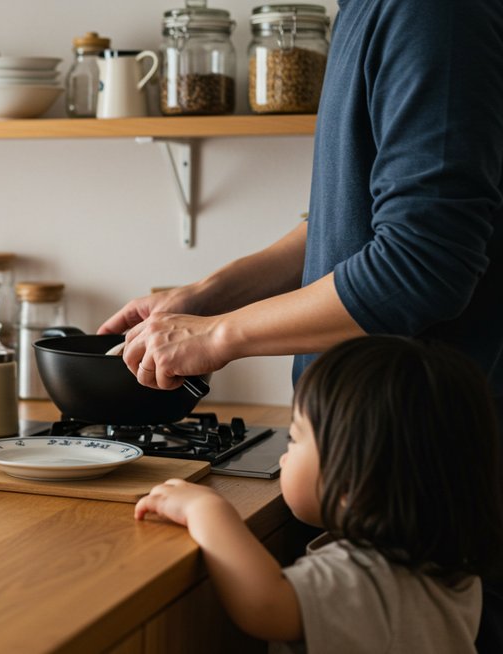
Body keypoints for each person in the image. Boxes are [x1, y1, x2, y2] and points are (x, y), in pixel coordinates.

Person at [100, 0, 503, 647]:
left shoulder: (432, 12)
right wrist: (204, 297)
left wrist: (220, 335)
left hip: (409, 463)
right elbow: (342, 222)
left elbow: (420, 259)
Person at [135, 336, 503, 652]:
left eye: (294, 439)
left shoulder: (365, 580)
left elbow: (266, 604)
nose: (283, 454)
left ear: (354, 482)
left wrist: (207, 509)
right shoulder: (452, 567)